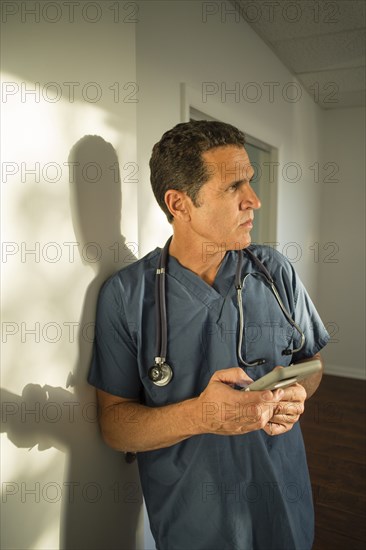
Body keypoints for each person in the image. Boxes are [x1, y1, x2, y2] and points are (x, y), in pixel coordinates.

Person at [88, 121, 330, 550]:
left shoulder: (275, 272)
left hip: (284, 504)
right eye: (234, 187)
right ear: (180, 204)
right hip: (194, 521)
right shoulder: (127, 295)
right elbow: (115, 426)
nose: (253, 200)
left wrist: (299, 392)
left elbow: (310, 365)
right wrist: (201, 416)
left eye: (250, 183)